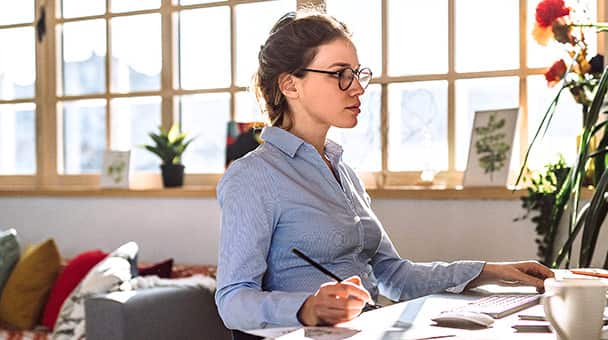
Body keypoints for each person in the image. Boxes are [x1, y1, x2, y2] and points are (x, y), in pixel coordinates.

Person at [215, 10, 554, 332]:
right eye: (340, 74)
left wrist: (490, 272)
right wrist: (306, 308)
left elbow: (396, 275)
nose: (358, 88)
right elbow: (232, 300)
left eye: (358, 74)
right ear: (290, 85)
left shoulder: (342, 170)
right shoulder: (253, 176)